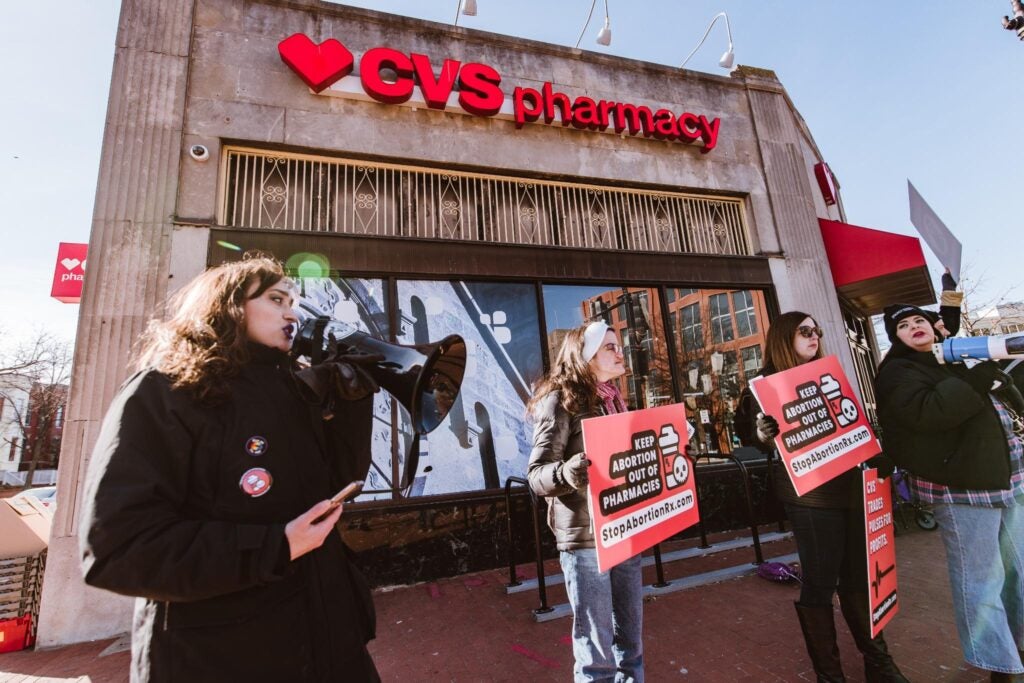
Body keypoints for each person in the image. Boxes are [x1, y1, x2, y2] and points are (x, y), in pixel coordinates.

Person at [79, 256, 382, 682]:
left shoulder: (294, 392)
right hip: (221, 659)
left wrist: (352, 404)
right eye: (277, 299)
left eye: (293, 301)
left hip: (331, 649)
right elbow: (118, 549)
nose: (292, 313)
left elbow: (333, 487)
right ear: (228, 306)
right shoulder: (164, 392)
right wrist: (275, 546)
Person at [734, 311, 907, 683]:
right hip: (810, 497)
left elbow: (852, 425)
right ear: (784, 337)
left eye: (818, 330)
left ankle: (879, 663)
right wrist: (763, 434)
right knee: (820, 582)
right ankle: (830, 675)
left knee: (859, 581)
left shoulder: (829, 376)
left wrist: (878, 456)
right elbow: (748, 434)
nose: (815, 337)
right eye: (805, 331)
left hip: (851, 489)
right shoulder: (763, 385)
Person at [876, 303, 1024, 682]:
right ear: (896, 337)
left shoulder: (954, 359)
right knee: (981, 581)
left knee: (1018, 572)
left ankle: (1020, 647)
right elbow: (929, 413)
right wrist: (976, 380)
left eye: (919, 321)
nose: (914, 328)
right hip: (961, 487)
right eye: (904, 326)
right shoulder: (898, 371)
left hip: (1007, 477)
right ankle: (999, 666)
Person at [527, 320, 642, 682]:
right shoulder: (561, 401)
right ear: (586, 355)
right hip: (586, 539)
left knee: (631, 646)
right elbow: (537, 475)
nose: (619, 350)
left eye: (617, 344)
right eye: (610, 345)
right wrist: (569, 473)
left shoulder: (615, 401)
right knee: (597, 654)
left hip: (625, 530)